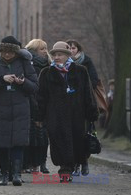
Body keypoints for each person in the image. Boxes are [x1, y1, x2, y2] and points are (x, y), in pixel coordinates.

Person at [36, 41, 98, 182]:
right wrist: (39, 116)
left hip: (76, 114)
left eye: (59, 55)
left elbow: (88, 93)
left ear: (67, 55)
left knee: (76, 141)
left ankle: (73, 165)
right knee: (58, 142)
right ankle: (64, 170)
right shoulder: (46, 73)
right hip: (55, 115)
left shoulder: (80, 71)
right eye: (54, 55)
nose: (56, 57)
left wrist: (92, 112)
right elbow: (41, 97)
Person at [0, 36, 38, 186]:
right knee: (2, 144)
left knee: (18, 143)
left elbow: (34, 86)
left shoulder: (24, 63)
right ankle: (4, 175)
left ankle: (16, 174)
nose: (7, 55)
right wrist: (2, 79)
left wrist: (23, 82)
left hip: (20, 109)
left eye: (10, 52)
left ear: (16, 52)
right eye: (4, 52)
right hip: (0, 110)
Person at [66, 39, 100, 176]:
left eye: (73, 48)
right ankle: (74, 165)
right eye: (68, 48)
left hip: (84, 104)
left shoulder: (86, 62)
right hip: (69, 105)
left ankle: (84, 162)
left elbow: (94, 80)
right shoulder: (63, 64)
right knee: (71, 137)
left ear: (78, 50)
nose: (71, 50)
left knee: (84, 136)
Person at [24, 39, 50, 174]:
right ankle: (30, 162)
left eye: (46, 48)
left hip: (44, 103)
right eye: (42, 49)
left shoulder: (49, 65)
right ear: (34, 51)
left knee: (43, 136)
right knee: (32, 135)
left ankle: (41, 162)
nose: (45, 51)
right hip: (31, 102)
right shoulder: (28, 64)